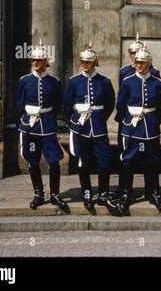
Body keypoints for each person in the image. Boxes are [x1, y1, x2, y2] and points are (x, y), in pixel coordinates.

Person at [63, 42, 119, 214]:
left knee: (104, 160)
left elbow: (110, 103)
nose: (85, 65)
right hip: (80, 128)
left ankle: (103, 194)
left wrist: (100, 119)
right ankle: (87, 193)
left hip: (98, 127)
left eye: (88, 62)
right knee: (83, 161)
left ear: (95, 62)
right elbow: (66, 106)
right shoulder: (73, 81)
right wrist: (72, 124)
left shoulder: (104, 81)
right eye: (83, 62)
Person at [116, 43, 161, 215]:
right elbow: (121, 105)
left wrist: (153, 121)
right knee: (129, 160)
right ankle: (126, 193)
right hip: (132, 126)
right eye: (137, 62)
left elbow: (160, 106)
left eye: (142, 62)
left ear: (148, 63)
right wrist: (128, 121)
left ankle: (152, 192)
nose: (139, 65)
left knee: (152, 159)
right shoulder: (128, 81)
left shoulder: (157, 83)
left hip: (150, 125)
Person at [16, 40, 68, 212]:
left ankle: (55, 194)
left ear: (46, 62)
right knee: (32, 160)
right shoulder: (24, 80)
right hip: (29, 126)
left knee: (54, 161)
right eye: (33, 60)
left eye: (39, 60)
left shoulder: (54, 82)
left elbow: (58, 103)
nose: (36, 63)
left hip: (47, 124)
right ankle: (38, 193)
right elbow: (19, 104)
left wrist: (48, 117)